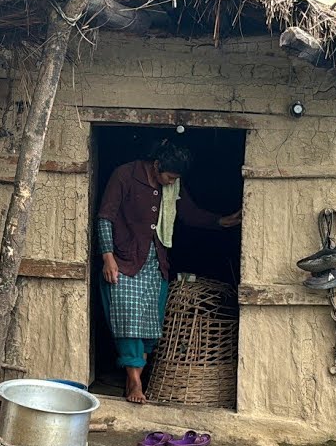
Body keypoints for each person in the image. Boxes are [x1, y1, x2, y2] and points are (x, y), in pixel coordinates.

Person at [96, 141, 241, 404]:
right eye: (170, 176)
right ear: (157, 165)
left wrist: (220, 221)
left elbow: (188, 214)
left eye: (176, 179)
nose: (172, 182)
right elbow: (105, 216)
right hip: (124, 259)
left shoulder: (172, 185)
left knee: (151, 325)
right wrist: (108, 257)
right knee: (126, 317)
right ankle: (134, 381)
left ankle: (135, 379)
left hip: (155, 261)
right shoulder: (125, 175)